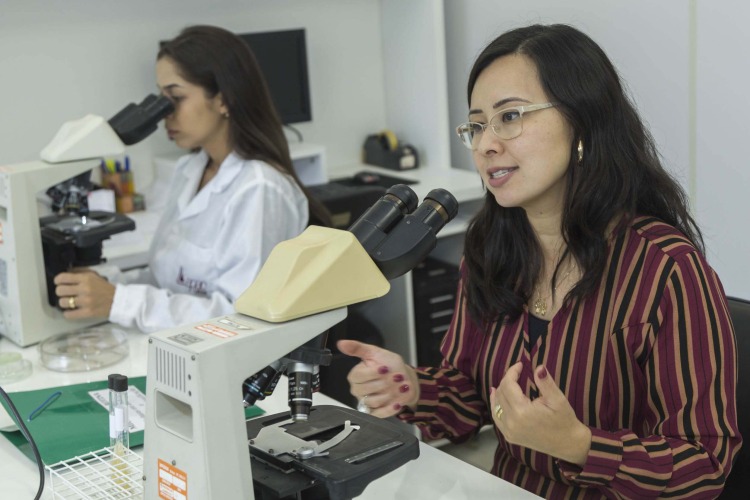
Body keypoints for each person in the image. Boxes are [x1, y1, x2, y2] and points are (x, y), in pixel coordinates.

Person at [338, 24, 741, 498]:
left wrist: (581, 446)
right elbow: (471, 396)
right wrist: (413, 387)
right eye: (477, 124)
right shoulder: (490, 247)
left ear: (581, 123)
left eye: (510, 117)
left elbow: (705, 463)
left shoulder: (665, 268)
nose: (486, 144)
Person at [53, 25, 330, 333]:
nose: (163, 115)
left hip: (235, 367)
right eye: (159, 99)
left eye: (175, 98)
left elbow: (241, 318)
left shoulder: (259, 188)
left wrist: (120, 301)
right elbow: (167, 280)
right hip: (183, 347)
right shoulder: (190, 170)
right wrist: (104, 286)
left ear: (223, 100)